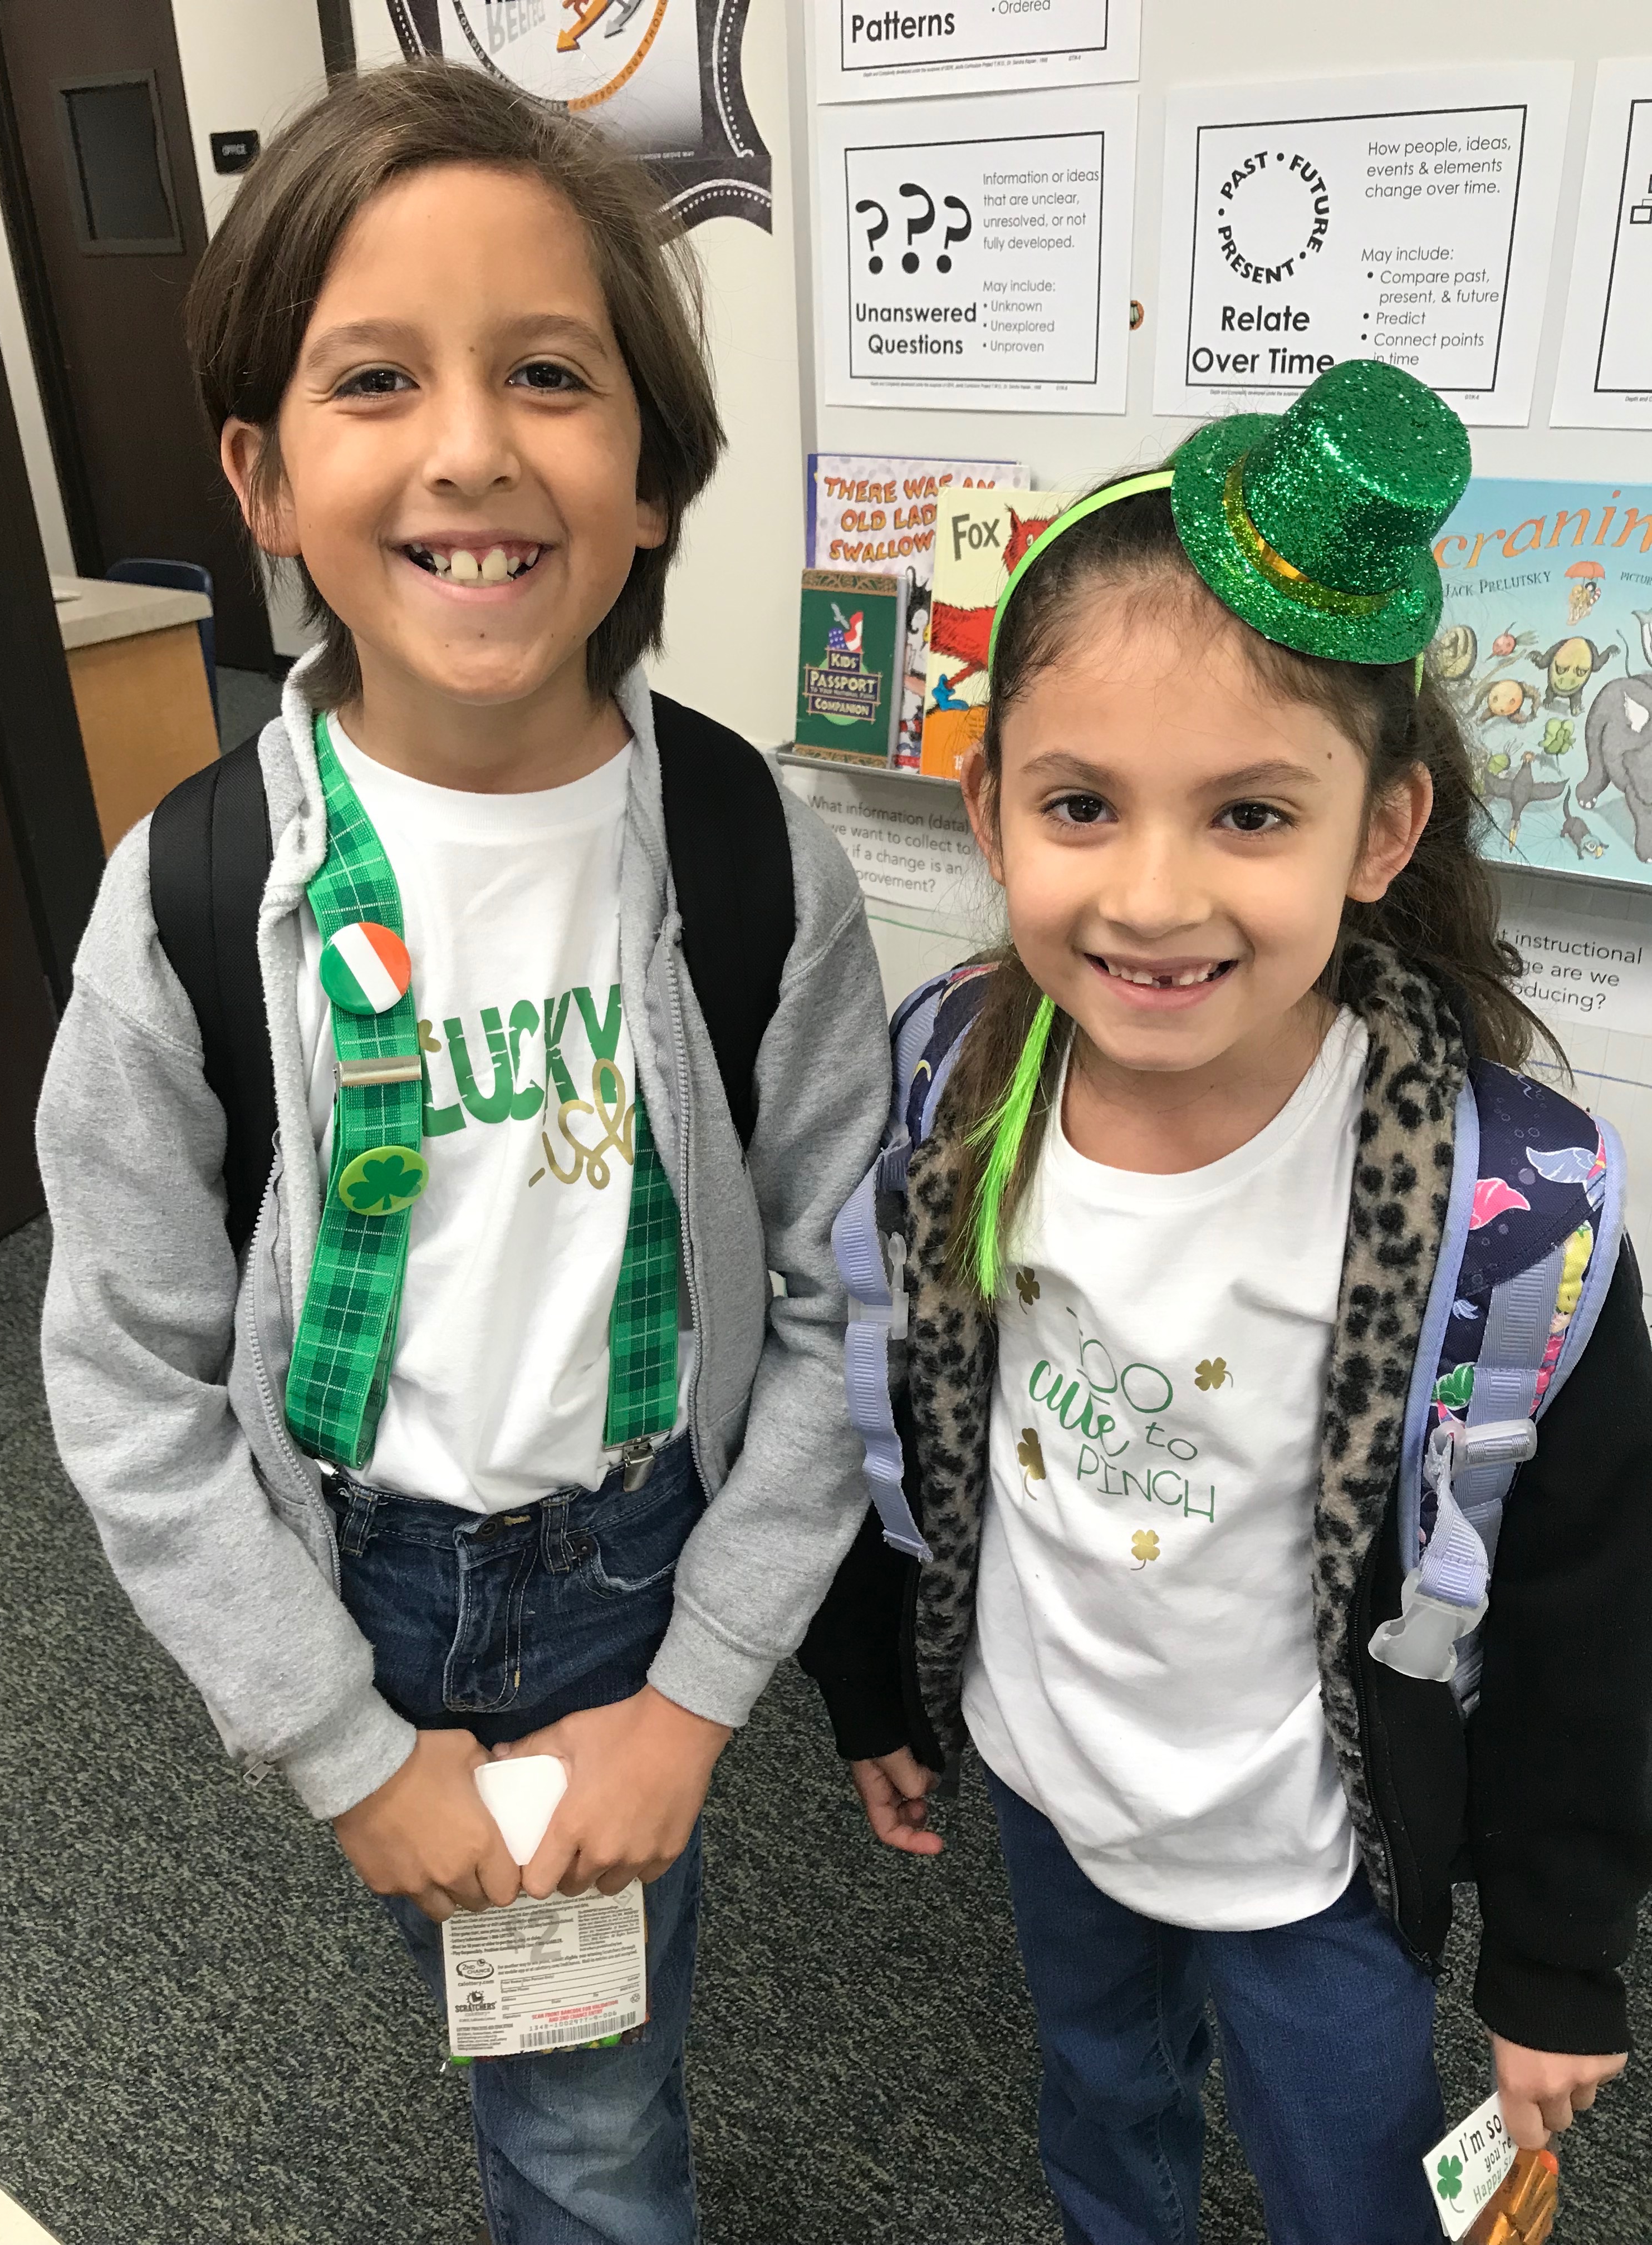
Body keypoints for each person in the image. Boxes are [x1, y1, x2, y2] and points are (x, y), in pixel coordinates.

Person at [37, 62, 888, 2245]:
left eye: (547, 375)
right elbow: (125, 1369)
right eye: (375, 380)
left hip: (633, 1566)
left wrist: (697, 1697)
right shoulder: (194, 895)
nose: (472, 449)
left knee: (581, 2106)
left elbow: (840, 1291)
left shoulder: (742, 855)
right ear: (264, 477)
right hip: (355, 1572)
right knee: (503, 1984)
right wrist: (342, 1743)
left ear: (657, 477)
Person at [799, 361, 1652, 2245]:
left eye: (1251, 816)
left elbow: (1593, 1626)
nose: (1157, 896)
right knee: (1104, 2108)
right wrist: (870, 1681)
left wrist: (1559, 1965)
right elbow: (883, 1392)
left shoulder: (1515, 1223)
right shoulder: (950, 1083)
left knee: (1359, 2188)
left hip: (1317, 1862)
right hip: (1047, 1777)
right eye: (1085, 805)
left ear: (1381, 831)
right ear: (992, 811)